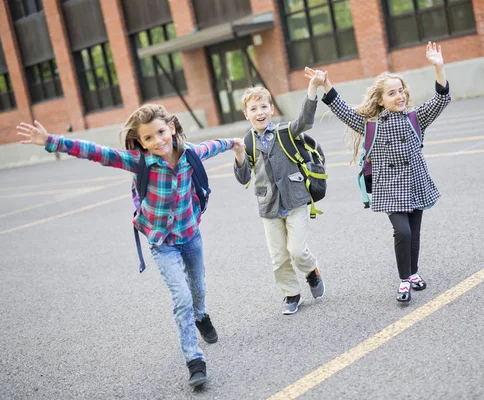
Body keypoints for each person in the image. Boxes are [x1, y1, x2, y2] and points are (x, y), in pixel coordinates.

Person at [16, 104, 245, 388]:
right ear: (141, 142)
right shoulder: (140, 162)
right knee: (181, 299)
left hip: (190, 235)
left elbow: (218, 144)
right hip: (162, 243)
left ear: (171, 127)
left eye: (161, 132)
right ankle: (194, 361)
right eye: (148, 138)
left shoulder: (191, 154)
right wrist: (51, 141)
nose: (157, 141)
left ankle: (201, 315)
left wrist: (236, 144)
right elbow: (99, 153)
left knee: (198, 289)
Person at [306, 41, 451, 303]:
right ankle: (404, 280)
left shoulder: (416, 118)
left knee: (415, 233)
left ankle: (414, 272)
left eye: (401, 91)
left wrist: (438, 68)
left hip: (416, 183)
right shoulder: (371, 126)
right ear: (380, 101)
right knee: (403, 232)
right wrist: (325, 84)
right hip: (390, 188)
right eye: (392, 93)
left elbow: (441, 99)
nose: (400, 96)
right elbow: (343, 111)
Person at [233, 72, 328, 315]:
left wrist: (312, 88)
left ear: (271, 109)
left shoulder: (286, 132)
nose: (259, 112)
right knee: (278, 257)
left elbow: (305, 121)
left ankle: (311, 271)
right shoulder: (247, 142)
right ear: (247, 114)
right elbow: (243, 178)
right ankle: (291, 294)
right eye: (253, 108)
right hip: (269, 206)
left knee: (297, 251)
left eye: (263, 106)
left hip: (295, 199)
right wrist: (239, 155)